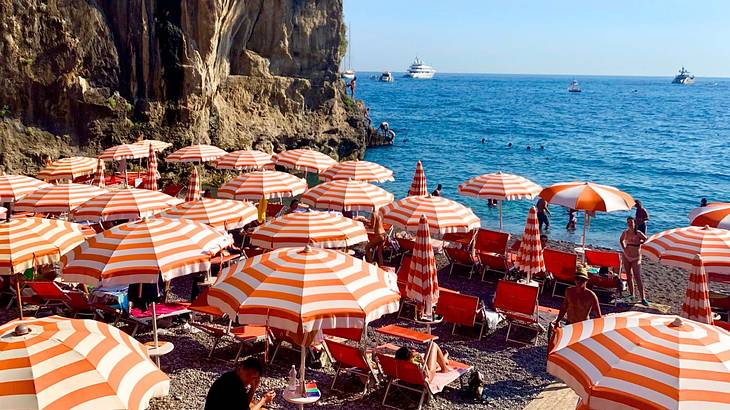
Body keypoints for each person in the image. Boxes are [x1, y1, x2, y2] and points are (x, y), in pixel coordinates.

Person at [205, 357, 275, 410]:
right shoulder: (234, 386)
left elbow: (244, 405)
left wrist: (253, 388)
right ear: (242, 368)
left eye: (253, 378)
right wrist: (263, 400)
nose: (249, 380)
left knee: (255, 405)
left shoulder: (231, 376)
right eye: (248, 375)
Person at [620, 216, 649, 306]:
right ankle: (632, 294)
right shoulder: (625, 232)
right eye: (628, 222)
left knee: (637, 277)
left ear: (634, 223)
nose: (630, 224)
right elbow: (621, 240)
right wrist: (624, 249)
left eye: (631, 222)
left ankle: (642, 297)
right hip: (627, 255)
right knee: (628, 275)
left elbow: (646, 240)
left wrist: (639, 243)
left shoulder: (638, 233)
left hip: (636, 257)